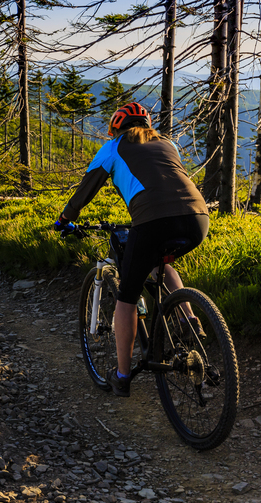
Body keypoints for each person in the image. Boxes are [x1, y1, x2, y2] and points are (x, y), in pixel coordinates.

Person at [53, 102, 209, 397]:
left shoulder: (114, 147)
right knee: (160, 262)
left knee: (127, 296)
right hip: (198, 218)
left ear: (115, 128)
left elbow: (85, 191)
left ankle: (122, 377)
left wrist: (64, 220)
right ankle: (189, 322)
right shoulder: (167, 143)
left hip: (153, 220)